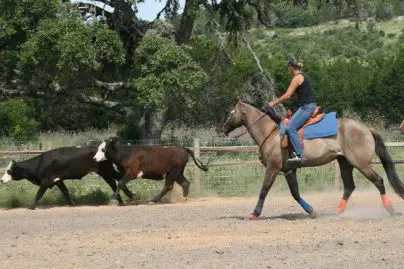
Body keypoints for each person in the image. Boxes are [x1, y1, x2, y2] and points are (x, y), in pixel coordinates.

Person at [266, 59, 317, 165]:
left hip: (306, 107)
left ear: (291, 67)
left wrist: (273, 103)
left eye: (288, 67)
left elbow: (288, 95)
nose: (287, 69)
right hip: (306, 106)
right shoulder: (303, 76)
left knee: (290, 127)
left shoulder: (297, 78)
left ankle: (299, 155)